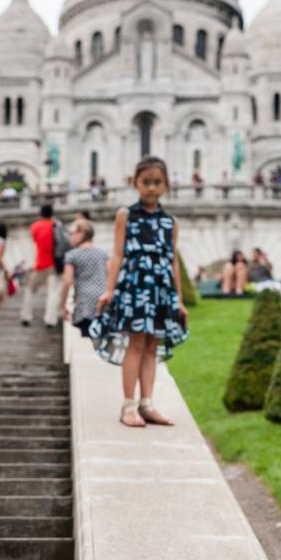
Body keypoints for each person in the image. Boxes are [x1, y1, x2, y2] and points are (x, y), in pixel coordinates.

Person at [90, 156, 188, 428]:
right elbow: (118, 254)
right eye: (146, 182)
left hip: (160, 288)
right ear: (135, 183)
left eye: (157, 183)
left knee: (152, 345)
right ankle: (128, 405)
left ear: (166, 185)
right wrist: (109, 290)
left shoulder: (171, 222)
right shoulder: (126, 215)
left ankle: (147, 403)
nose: (152, 188)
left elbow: (172, 262)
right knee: (135, 344)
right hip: (135, 285)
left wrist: (178, 299)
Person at [61, 219, 108, 337]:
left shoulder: (72, 255)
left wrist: (63, 306)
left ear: (81, 233)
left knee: (88, 337)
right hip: (103, 301)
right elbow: (111, 275)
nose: (69, 237)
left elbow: (67, 281)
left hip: (85, 303)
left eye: (71, 233)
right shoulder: (103, 253)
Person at [21, 204, 60, 328]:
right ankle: (50, 319)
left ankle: (26, 316)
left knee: (29, 290)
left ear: (41, 214)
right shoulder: (56, 226)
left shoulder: (35, 226)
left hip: (40, 263)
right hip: (54, 264)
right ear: (52, 214)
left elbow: (34, 243)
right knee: (53, 292)